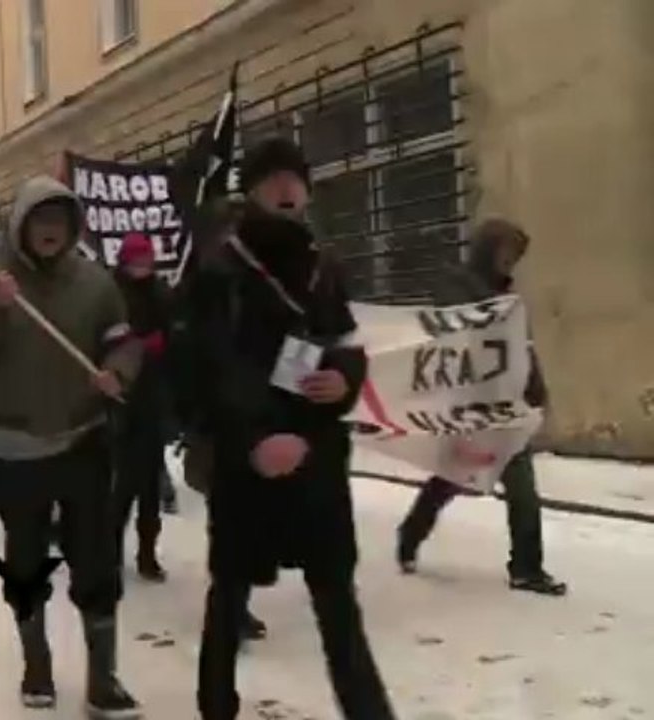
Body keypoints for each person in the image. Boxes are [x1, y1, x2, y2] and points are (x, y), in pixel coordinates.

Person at [175, 139, 395, 719]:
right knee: (229, 597)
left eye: (294, 178)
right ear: (250, 191)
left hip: (316, 457)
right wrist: (254, 440)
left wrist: (344, 382)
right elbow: (203, 370)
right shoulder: (219, 267)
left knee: (336, 601)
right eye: (271, 178)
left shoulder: (323, 266)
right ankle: (216, 707)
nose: (285, 188)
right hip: (246, 462)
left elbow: (346, 344)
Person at [0, 175, 144, 718]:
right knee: (27, 561)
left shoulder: (96, 283)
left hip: (83, 440)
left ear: (73, 226)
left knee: (96, 561)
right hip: (14, 447)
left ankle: (103, 679)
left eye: (60, 221)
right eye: (39, 220)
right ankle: (37, 663)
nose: (50, 230)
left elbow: (121, 339)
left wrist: (117, 372)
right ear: (21, 226)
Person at [396, 219, 566, 596]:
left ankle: (527, 568)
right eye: (507, 252)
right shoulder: (457, 286)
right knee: (449, 479)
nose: (511, 261)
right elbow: (452, 335)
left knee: (523, 490)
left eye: (516, 255)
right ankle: (409, 535)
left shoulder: (509, 298)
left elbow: (521, 349)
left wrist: (536, 389)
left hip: (507, 408)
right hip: (471, 409)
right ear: (488, 249)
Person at [111, 233, 172, 583]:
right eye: (136, 260)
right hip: (121, 401)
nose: (142, 266)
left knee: (149, 486)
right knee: (120, 487)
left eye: (146, 259)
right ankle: (111, 554)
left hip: (152, 399)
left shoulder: (161, 292)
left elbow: (176, 332)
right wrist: (135, 347)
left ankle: (147, 553)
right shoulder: (113, 293)